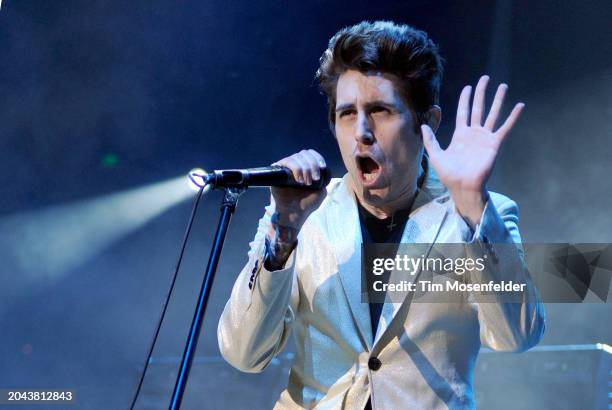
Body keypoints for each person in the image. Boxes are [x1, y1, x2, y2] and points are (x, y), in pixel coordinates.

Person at [217, 21, 545, 409]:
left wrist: (473, 204)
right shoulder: (304, 215)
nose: (362, 131)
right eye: (346, 114)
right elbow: (243, 353)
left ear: (429, 123)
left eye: (380, 110)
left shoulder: (479, 215)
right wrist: (283, 231)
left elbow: (518, 335)